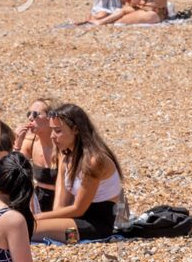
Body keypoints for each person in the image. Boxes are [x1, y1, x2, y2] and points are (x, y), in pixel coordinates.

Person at [32, 104, 125, 242]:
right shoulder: (65, 156)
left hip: (95, 229)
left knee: (27, 230)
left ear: (75, 129)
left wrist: (36, 217)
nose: (52, 136)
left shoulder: (94, 161)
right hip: (75, 221)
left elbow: (78, 209)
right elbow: (60, 205)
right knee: (25, 227)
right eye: (52, 130)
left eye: (57, 131)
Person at [15, 98, 57, 212]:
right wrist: (17, 144)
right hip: (39, 200)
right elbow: (14, 171)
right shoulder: (31, 142)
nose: (30, 118)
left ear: (50, 117)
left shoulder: (62, 144)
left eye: (35, 114)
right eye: (29, 114)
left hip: (62, 201)